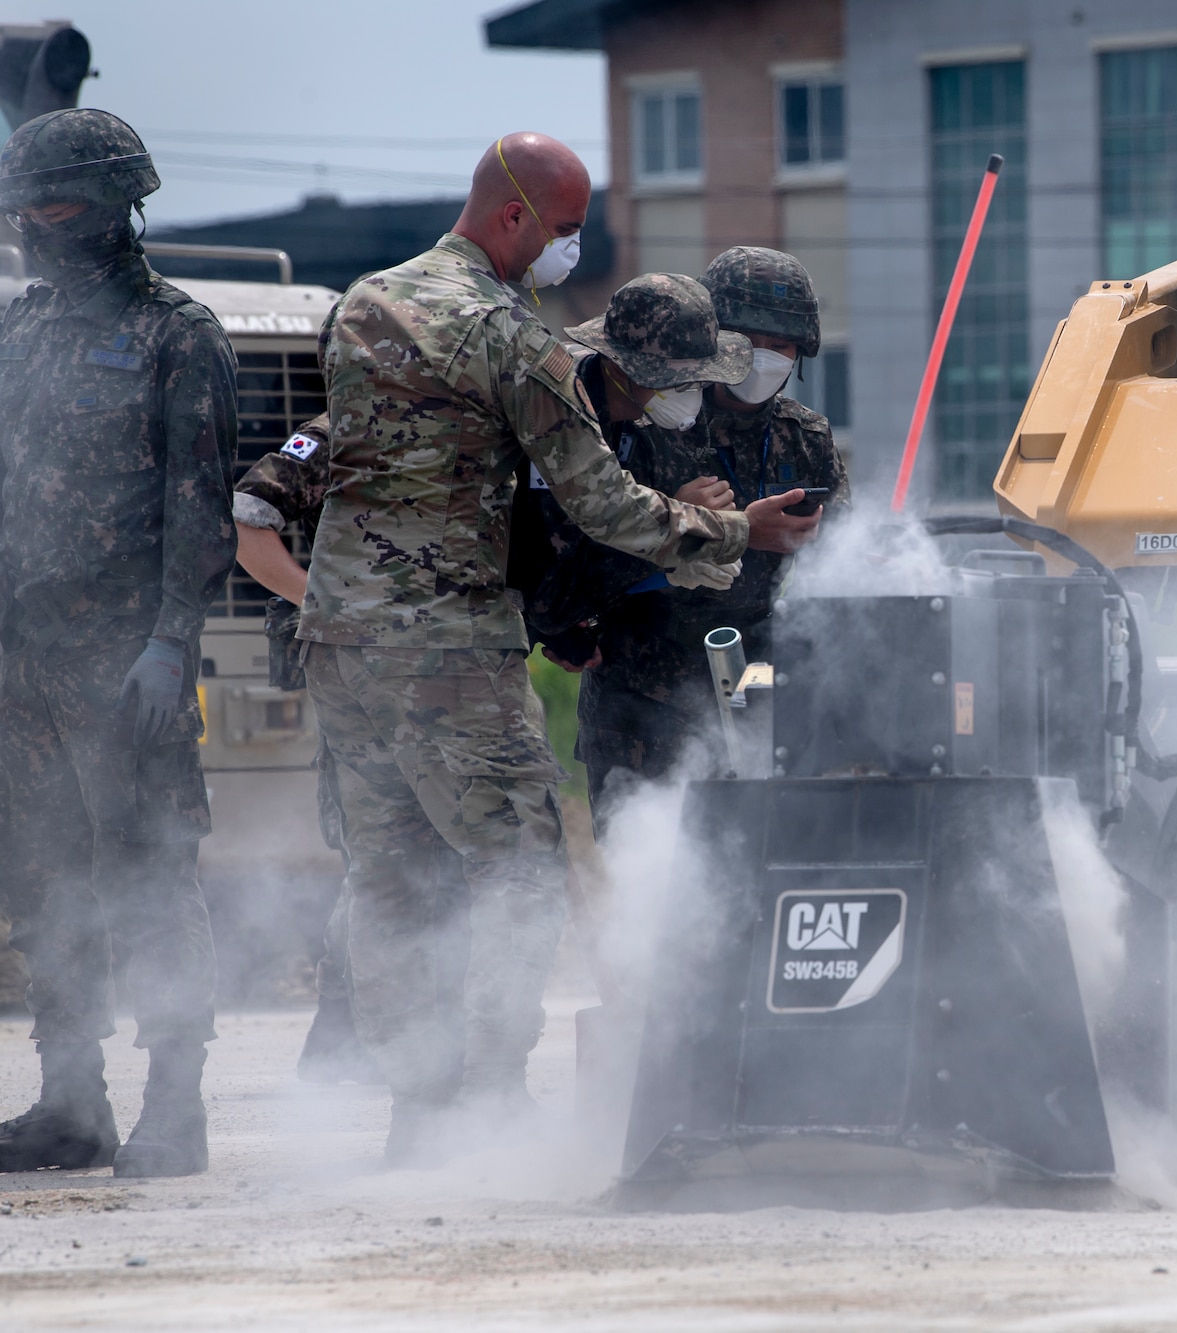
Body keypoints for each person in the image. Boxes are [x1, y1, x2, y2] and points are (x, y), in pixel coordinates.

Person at [300, 132, 818, 1163]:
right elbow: (595, 498)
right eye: (568, 229)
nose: (572, 249)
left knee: (391, 877)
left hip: (344, 634)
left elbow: (351, 464)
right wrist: (730, 533)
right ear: (514, 218)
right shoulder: (509, 336)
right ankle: (485, 1103)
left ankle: (415, 1117)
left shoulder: (362, 304)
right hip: (448, 640)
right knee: (521, 874)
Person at [0, 109, 238, 1177]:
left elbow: (201, 509)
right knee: (45, 875)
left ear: (117, 207)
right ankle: (69, 1101)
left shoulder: (178, 333)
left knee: (149, 874)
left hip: (122, 663)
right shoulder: (18, 329)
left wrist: (172, 641)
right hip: (22, 659)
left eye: (62, 205)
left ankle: (176, 1105)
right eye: (29, 206)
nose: (42, 224)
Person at [532, 248, 846, 829]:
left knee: (757, 873)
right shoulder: (647, 416)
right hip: (639, 700)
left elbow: (843, 566)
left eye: (782, 348)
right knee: (649, 880)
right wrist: (702, 534)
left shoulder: (804, 438)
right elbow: (572, 559)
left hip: (756, 691)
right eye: (749, 341)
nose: (764, 359)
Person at [232, 412, 385, 1086]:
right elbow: (249, 510)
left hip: (436, 668)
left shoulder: (463, 412)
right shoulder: (332, 432)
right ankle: (342, 1035)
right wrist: (318, 600)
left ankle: (375, 1035)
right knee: (372, 856)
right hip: (357, 676)